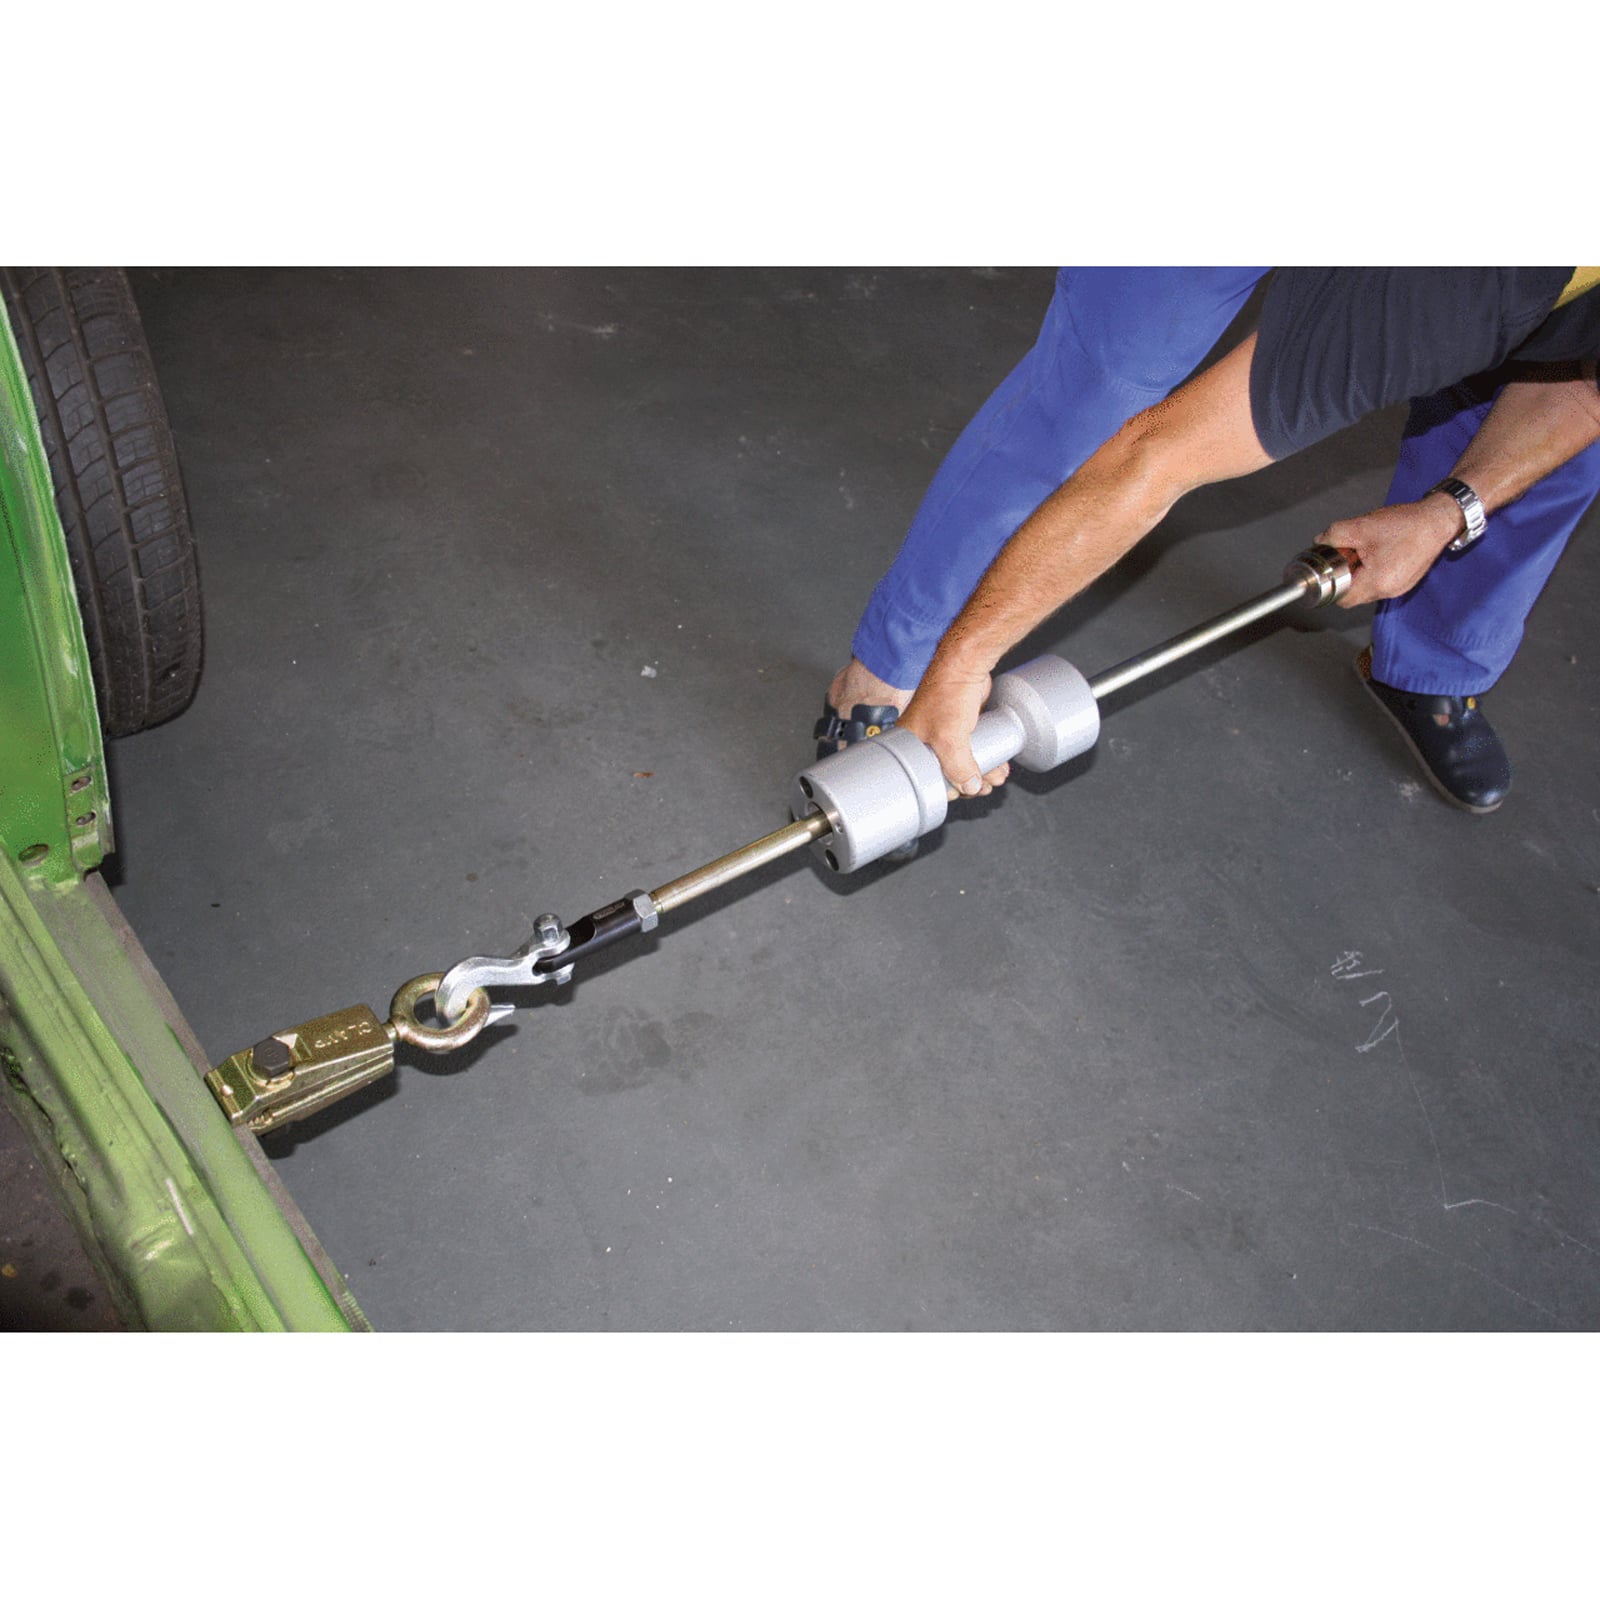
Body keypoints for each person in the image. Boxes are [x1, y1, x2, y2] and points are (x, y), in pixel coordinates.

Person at [821, 268, 1600, 815]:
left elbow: (1582, 390)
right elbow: (1154, 458)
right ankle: (902, 661)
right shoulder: (1450, 289)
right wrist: (964, 664)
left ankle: (1428, 662)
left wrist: (1449, 511)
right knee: (1108, 380)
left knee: (1559, 465)